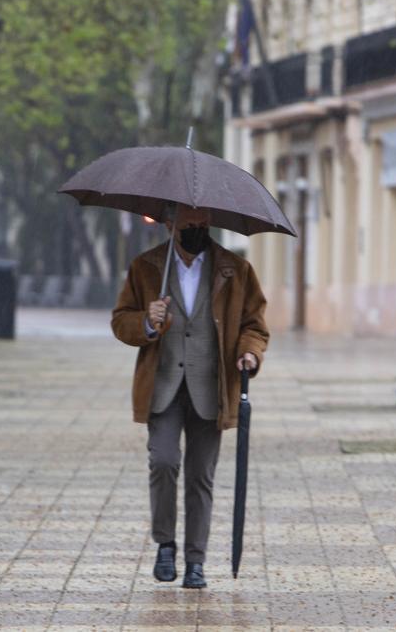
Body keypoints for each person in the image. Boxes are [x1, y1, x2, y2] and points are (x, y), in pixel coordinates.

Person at [111, 205, 269, 589]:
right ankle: (165, 543)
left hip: (211, 388)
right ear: (170, 225)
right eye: (188, 225)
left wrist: (249, 352)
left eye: (202, 224)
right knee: (163, 462)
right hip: (162, 388)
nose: (197, 230)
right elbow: (120, 321)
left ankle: (196, 560)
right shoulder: (146, 267)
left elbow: (255, 324)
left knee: (201, 476)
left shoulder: (235, 270)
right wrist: (148, 321)